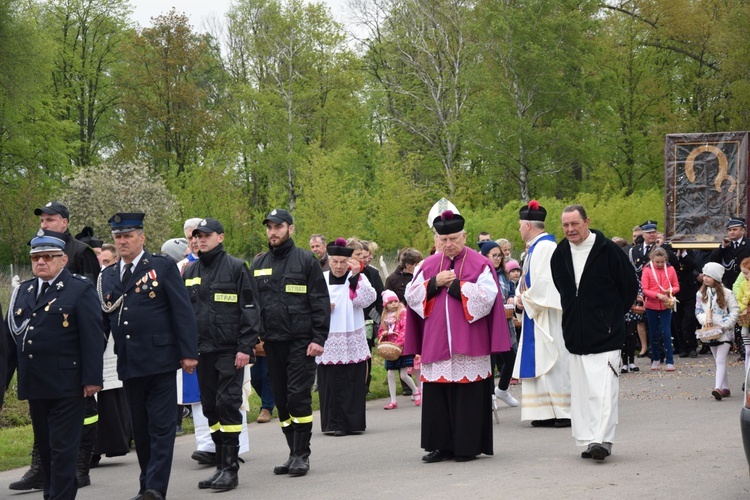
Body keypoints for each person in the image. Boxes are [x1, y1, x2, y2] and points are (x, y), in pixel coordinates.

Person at [98, 212, 198, 500]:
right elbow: (103, 324)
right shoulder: (107, 276)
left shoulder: (161, 266)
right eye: (118, 237)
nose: (122, 241)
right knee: (140, 430)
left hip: (161, 360)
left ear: (141, 237)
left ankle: (155, 488)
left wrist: (188, 353)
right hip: (129, 363)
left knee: (161, 427)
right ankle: (147, 485)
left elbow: (182, 312)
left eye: (128, 236)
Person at [404, 209, 513, 463]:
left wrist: (454, 285)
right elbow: (411, 296)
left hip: (469, 342)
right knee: (438, 397)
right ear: (436, 241)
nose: (449, 244)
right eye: (443, 240)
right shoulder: (428, 265)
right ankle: (440, 446)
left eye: (453, 238)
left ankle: (467, 446)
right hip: (436, 341)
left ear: (464, 236)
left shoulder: (479, 263)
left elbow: (487, 298)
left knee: (468, 397)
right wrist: (433, 283)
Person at [10, 201, 103, 493]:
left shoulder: (80, 288)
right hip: (36, 383)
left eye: (48, 257)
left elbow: (93, 335)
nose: (41, 262)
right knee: (48, 451)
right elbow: (9, 342)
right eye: (36, 257)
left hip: (68, 383)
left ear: (63, 260)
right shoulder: (23, 292)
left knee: (63, 451)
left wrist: (91, 378)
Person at [550, 205, 638, 461]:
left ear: (587, 221)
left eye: (574, 224)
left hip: (606, 333)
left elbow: (629, 286)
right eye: (565, 225)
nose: (570, 230)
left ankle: (603, 440)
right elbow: (563, 289)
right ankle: (590, 440)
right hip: (576, 334)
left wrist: (608, 317)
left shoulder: (608, 250)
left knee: (604, 389)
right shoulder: (560, 252)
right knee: (583, 391)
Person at [249, 208, 330, 477]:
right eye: (269, 228)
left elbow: (320, 303)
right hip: (272, 343)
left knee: (298, 397)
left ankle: (301, 454)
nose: (273, 232)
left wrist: (319, 338)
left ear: (290, 229)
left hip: (301, 342)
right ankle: (291, 451)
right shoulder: (258, 265)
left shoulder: (306, 261)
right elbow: (252, 305)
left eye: (278, 227)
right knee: (281, 401)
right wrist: (254, 335)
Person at [183, 218, 259, 491]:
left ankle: (230, 469)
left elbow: (251, 309)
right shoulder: (190, 271)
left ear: (221, 237)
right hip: (202, 352)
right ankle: (219, 465)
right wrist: (186, 351)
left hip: (230, 350)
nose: (200, 240)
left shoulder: (237, 267)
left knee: (227, 404)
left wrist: (245, 347)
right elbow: (184, 315)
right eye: (197, 236)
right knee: (210, 407)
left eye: (206, 235)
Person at [513, 200, 571, 428]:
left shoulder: (546, 248)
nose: (519, 229)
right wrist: (519, 296)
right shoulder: (534, 248)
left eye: (520, 225)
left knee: (553, 360)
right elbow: (527, 281)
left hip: (548, 315)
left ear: (528, 225)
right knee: (540, 362)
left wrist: (524, 298)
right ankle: (544, 410)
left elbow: (547, 284)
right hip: (534, 313)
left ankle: (563, 410)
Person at [316, 238, 375, 433]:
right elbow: (309, 304)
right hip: (329, 337)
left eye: (343, 262)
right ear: (329, 260)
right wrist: (323, 307)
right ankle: (332, 424)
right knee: (330, 384)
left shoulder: (357, 277)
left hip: (352, 336)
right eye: (335, 261)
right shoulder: (320, 278)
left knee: (351, 382)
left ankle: (352, 424)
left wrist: (356, 276)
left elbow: (366, 300)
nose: (339, 266)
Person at [478, 240, 519, 407]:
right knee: (491, 360)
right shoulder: (481, 274)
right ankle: (490, 394)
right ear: (485, 257)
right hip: (489, 323)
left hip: (506, 321)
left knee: (512, 358)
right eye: (493, 255)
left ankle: (502, 389)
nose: (497, 258)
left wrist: (511, 296)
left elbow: (509, 290)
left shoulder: (503, 274)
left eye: (499, 255)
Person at [696, 262, 739, 400]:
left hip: (724, 331)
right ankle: (725, 387)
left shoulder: (727, 293)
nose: (706, 278)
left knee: (720, 360)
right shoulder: (701, 294)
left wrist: (724, 324)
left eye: (709, 276)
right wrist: (705, 320)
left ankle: (717, 388)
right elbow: (698, 310)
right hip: (709, 331)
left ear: (716, 277)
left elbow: (734, 311)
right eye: (705, 275)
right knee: (718, 360)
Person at [377, 290, 420, 409]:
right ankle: (393, 400)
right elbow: (380, 331)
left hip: (402, 348)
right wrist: (383, 334)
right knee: (390, 373)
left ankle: (415, 390)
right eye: (391, 302)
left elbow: (404, 330)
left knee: (403, 374)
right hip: (390, 349)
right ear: (386, 305)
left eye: (395, 301)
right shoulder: (385, 317)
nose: (394, 304)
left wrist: (399, 343)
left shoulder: (402, 313)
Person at [641, 247, 680, 371]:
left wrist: (670, 291)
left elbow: (676, 286)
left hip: (666, 304)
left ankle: (670, 360)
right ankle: (656, 358)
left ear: (666, 260)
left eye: (662, 262)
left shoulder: (670, 269)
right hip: (651, 305)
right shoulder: (647, 270)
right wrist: (657, 295)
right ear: (652, 259)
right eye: (657, 262)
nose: (659, 264)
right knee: (653, 333)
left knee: (666, 331)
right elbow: (645, 289)